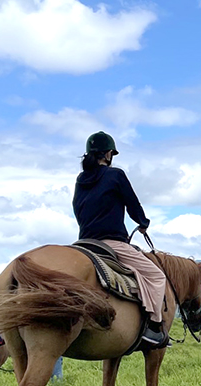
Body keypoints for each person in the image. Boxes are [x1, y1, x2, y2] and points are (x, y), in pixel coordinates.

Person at [73, 131, 169, 346]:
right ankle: (153, 328)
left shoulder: (80, 180)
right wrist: (143, 222)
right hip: (111, 243)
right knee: (156, 277)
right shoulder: (115, 175)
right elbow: (132, 204)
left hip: (83, 243)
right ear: (108, 154)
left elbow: (77, 209)